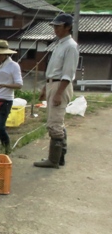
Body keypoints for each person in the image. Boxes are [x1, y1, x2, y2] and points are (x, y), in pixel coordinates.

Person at [34, 13, 78, 168]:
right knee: (55, 121)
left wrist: (59, 93)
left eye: (58, 26)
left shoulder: (71, 46)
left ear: (68, 27)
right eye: (54, 26)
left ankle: (54, 160)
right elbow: (53, 70)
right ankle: (59, 158)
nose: (56, 29)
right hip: (53, 83)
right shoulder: (60, 44)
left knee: (55, 123)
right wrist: (46, 88)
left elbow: (68, 73)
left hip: (61, 85)